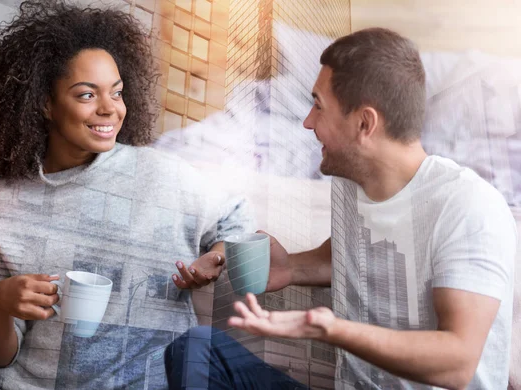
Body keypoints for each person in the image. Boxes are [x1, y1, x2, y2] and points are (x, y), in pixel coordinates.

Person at [165, 28, 517, 389]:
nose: (307, 121)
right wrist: (288, 267)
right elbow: (358, 253)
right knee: (198, 350)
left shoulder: (469, 208)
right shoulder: (350, 184)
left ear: (365, 124)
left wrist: (330, 328)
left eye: (318, 105)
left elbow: (457, 362)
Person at [0, 1, 253, 388]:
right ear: (45, 103)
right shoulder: (1, 208)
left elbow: (237, 218)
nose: (110, 109)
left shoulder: (161, 174)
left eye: (117, 93)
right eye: (87, 95)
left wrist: (216, 256)